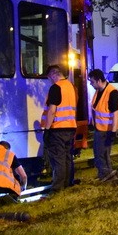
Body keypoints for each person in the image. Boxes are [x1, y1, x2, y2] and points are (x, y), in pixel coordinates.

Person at [40, 64, 77, 192]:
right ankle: (67, 183)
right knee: (67, 158)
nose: (50, 80)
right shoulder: (70, 86)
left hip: (58, 129)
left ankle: (57, 188)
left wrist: (47, 129)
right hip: (71, 127)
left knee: (58, 159)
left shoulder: (56, 87)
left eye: (50, 77)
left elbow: (52, 111)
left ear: (54, 74)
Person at [89, 68, 118, 182]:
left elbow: (115, 114)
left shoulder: (112, 92)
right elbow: (96, 108)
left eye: (92, 81)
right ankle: (106, 174)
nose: (90, 84)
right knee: (101, 153)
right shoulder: (99, 91)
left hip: (107, 130)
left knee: (101, 154)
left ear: (98, 80)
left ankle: (106, 175)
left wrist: (112, 132)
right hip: (100, 128)